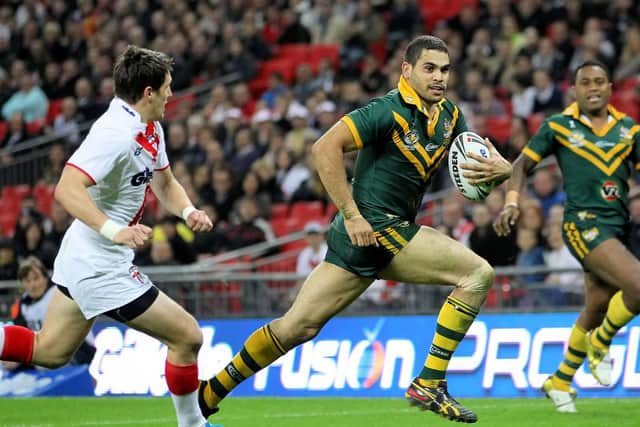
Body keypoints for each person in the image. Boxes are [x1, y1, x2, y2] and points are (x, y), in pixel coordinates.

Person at [198, 35, 512, 424]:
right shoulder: (387, 110)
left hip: (374, 239)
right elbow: (323, 148)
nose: (439, 77)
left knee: (296, 328)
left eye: (445, 70)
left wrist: (503, 171)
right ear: (407, 70)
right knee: (477, 274)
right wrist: (351, 213)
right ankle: (429, 382)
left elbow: (473, 180)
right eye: (429, 68)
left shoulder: (449, 116)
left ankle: (207, 394)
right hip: (373, 227)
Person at [0, 46, 216, 427]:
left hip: (84, 256)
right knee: (187, 336)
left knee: (48, 352)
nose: (171, 94)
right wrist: (117, 231)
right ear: (148, 92)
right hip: (100, 265)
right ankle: (194, 425)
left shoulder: (150, 128)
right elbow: (67, 189)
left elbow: (164, 183)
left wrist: (187, 211)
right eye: (166, 87)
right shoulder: (115, 133)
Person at [494, 60, 640, 413]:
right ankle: (602, 343)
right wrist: (512, 202)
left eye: (600, 81)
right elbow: (521, 166)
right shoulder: (558, 127)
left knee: (597, 305)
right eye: (585, 82)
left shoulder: (629, 130)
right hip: (581, 224)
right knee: (638, 286)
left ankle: (559, 380)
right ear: (574, 90)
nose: (593, 87)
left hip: (617, 226)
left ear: (610, 88)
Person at [3, 256, 95, 372]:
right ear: (22, 284)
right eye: (27, 280)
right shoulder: (22, 305)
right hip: (46, 351)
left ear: (45, 278)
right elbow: (22, 336)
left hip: (77, 347)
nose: (33, 285)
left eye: (36, 279)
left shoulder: (59, 294)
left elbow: (66, 333)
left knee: (42, 363)